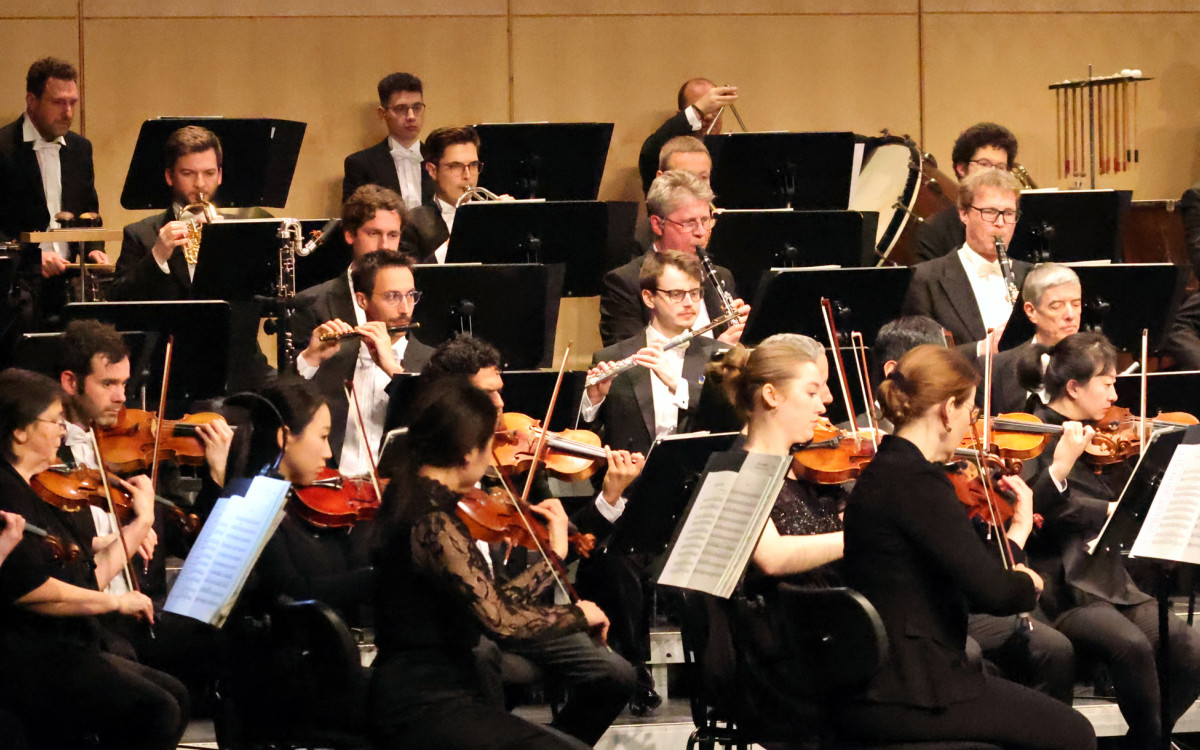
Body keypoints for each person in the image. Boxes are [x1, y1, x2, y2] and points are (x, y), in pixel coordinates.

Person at [836, 345, 1095, 749]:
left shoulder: (888, 471)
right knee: (1075, 735)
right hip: (916, 692)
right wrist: (1031, 586)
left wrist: (1020, 528)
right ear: (947, 410)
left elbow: (974, 566)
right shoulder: (918, 484)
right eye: (971, 412)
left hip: (887, 682)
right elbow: (991, 592)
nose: (971, 425)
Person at [406, 333, 640, 742]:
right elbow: (495, 611)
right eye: (487, 395)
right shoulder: (432, 491)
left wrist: (609, 497)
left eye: (501, 392)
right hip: (473, 628)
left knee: (616, 674)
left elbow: (564, 530)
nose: (501, 405)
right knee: (483, 657)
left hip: (517, 611)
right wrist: (564, 578)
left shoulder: (513, 460)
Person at [369, 376, 611, 750]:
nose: (491, 457)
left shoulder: (411, 497)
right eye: (488, 445)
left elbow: (491, 597)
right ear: (467, 452)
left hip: (436, 693)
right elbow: (502, 622)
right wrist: (580, 614)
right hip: (425, 703)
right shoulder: (433, 522)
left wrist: (555, 556)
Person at [1016, 332, 1200, 747]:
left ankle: (1145, 741)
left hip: (1110, 580)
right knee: (1131, 646)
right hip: (1063, 586)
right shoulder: (1032, 434)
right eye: (1108, 383)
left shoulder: (1099, 434)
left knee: (1189, 650)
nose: (1116, 394)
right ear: (1074, 387)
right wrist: (1098, 501)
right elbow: (1035, 511)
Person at [0, 367, 190, 750]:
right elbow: (31, 589)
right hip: (32, 657)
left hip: (70, 645)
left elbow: (86, 578)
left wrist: (138, 525)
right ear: (19, 431)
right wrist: (117, 601)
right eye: (54, 421)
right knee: (156, 708)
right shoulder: (7, 493)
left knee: (174, 695)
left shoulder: (40, 492)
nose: (62, 431)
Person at [297, 250, 433, 475]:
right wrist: (310, 359)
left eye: (410, 295)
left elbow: (441, 426)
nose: (405, 308)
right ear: (362, 300)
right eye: (392, 296)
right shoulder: (333, 358)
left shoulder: (434, 362)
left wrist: (393, 371)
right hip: (334, 490)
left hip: (396, 496)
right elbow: (282, 411)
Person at [584, 249, 729, 455]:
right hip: (632, 482)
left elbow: (731, 421)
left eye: (695, 293)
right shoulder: (611, 357)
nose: (689, 303)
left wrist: (677, 384)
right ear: (649, 298)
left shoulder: (721, 356)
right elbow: (589, 441)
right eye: (676, 294)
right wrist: (594, 402)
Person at [599, 170, 748, 347]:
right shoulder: (626, 283)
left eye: (705, 220)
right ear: (657, 224)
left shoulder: (722, 276)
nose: (701, 232)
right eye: (689, 223)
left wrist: (737, 334)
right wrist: (717, 351)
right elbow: (631, 365)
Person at [901, 167, 1032, 356]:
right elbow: (920, 356)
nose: (1000, 223)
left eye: (1009, 213)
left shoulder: (1031, 276)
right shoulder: (925, 278)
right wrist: (981, 349)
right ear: (964, 214)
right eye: (990, 211)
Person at [0, 57, 106, 280]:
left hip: (68, 278)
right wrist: (33, 259)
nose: (68, 112)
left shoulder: (80, 149)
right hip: (15, 283)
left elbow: (89, 211)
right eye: (58, 102)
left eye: (73, 103)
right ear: (31, 101)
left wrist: (95, 249)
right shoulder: (4, 147)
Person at [110, 125, 225, 301]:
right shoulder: (140, 234)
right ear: (169, 177)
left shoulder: (240, 230)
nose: (200, 184)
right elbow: (118, 298)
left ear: (219, 175)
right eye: (188, 173)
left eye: (209, 173)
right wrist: (157, 256)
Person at [291, 184, 408, 350]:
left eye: (393, 235)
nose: (384, 246)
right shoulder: (311, 304)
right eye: (374, 234)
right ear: (350, 235)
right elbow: (295, 374)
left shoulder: (415, 300)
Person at [913, 122, 1020, 262]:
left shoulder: (1017, 224)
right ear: (962, 169)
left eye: (1000, 167)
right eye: (984, 164)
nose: (993, 174)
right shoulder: (934, 233)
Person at [989, 263, 1082, 414]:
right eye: (1057, 306)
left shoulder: (1098, 364)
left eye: (1076, 304)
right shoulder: (995, 369)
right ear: (1031, 311)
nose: (1070, 315)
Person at [399, 125, 494, 263]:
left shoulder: (489, 215)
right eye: (456, 166)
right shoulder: (412, 224)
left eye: (473, 165)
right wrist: (455, 242)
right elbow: (413, 279)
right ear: (432, 170)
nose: (467, 176)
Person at [342, 72, 433, 210]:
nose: (411, 116)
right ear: (382, 113)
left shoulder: (440, 160)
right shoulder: (360, 164)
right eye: (401, 108)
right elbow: (353, 220)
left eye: (417, 107)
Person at [637, 78, 737, 194]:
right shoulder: (660, 150)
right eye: (703, 109)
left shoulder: (729, 153)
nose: (709, 117)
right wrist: (698, 110)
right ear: (681, 115)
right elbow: (650, 152)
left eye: (714, 109)